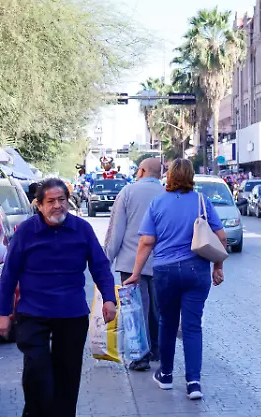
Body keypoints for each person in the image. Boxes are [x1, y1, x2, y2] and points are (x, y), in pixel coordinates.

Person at [0, 178, 117, 417]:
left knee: (67, 373)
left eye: (62, 200)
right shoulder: (26, 232)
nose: (57, 205)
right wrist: (2, 313)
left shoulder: (82, 230)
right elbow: (9, 274)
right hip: (33, 313)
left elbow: (100, 267)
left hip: (71, 313)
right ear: (39, 205)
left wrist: (109, 299)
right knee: (36, 371)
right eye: (50, 201)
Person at [123, 158, 226, 401]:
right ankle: (193, 383)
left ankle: (166, 376)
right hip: (196, 271)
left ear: (169, 176)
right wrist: (217, 268)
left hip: (165, 272)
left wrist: (136, 273)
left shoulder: (157, 203)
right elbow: (221, 237)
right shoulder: (202, 201)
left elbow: (146, 242)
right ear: (191, 176)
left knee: (167, 323)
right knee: (192, 326)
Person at [104, 158, 165, 371]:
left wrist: (107, 259)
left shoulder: (127, 192)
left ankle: (140, 356)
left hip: (131, 263)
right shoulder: (167, 193)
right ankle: (158, 350)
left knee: (136, 310)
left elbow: (116, 230)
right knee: (157, 309)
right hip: (161, 262)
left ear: (141, 171)